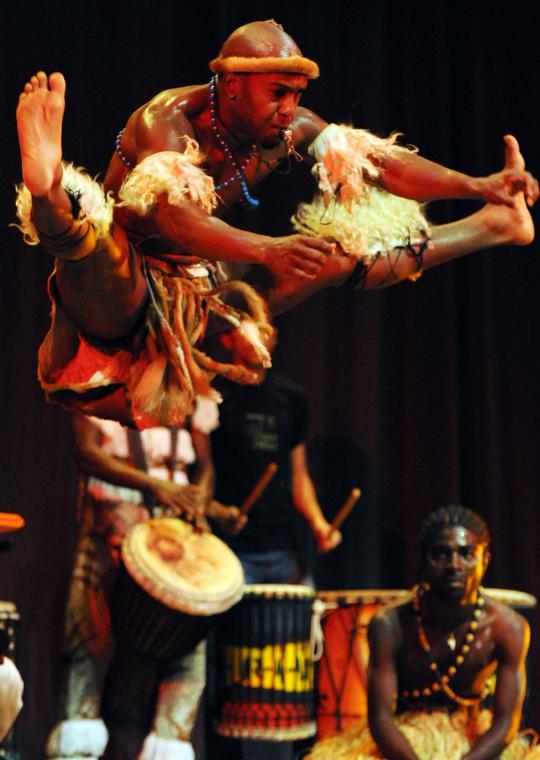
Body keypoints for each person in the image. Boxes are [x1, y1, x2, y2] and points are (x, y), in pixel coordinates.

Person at [14, 22, 537, 429]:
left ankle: (493, 225)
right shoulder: (165, 120)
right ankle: (48, 188)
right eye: (279, 93)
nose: (291, 108)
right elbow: (172, 214)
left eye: (297, 94)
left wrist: (479, 185)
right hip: (122, 279)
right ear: (232, 84)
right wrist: (266, 250)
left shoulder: (289, 129)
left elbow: (382, 164)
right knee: (90, 241)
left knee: (333, 257)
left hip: (194, 289)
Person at [46, 401, 218, 760]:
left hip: (173, 534)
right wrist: (155, 486)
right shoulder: (99, 387)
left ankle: (171, 741)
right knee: (90, 640)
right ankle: (76, 746)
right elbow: (87, 453)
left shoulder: (191, 395)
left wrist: (200, 497)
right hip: (111, 528)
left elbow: (205, 468)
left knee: (189, 646)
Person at [307, 505, 538, 760]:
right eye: (441, 554)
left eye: (466, 554)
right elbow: (380, 718)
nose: (454, 565)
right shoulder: (391, 624)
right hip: (403, 741)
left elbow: (506, 723)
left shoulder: (508, 627)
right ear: (424, 559)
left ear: (485, 560)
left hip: (475, 741)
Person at [206, 328, 340, 760]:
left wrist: (320, 524)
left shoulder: (291, 398)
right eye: (251, 328)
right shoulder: (213, 394)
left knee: (284, 672)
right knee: (238, 671)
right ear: (227, 339)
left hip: (283, 550)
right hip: (231, 551)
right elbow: (201, 471)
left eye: (268, 326)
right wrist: (215, 512)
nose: (265, 335)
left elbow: (298, 477)